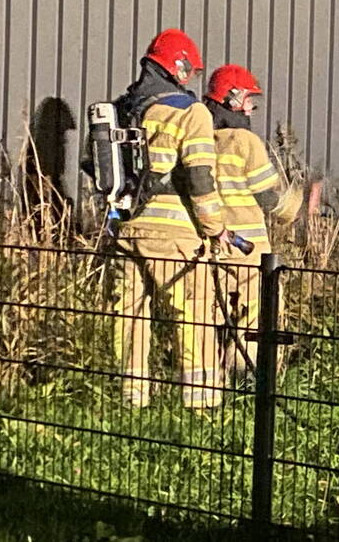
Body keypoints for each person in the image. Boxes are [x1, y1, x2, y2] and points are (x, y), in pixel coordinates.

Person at [112, 28, 232, 409]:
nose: (191, 78)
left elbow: (92, 163)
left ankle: (130, 401)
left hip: (126, 227)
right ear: (178, 67)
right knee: (192, 314)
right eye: (190, 71)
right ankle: (202, 406)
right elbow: (199, 177)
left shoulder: (123, 109)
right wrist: (216, 229)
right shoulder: (191, 111)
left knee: (129, 315)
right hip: (174, 232)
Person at [201, 64, 300, 381]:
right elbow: (268, 197)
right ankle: (246, 382)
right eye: (247, 99)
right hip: (249, 251)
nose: (251, 107)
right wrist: (297, 207)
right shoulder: (245, 142)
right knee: (252, 317)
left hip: (211, 244)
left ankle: (210, 383)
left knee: (211, 317)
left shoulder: (201, 138)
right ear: (232, 99)